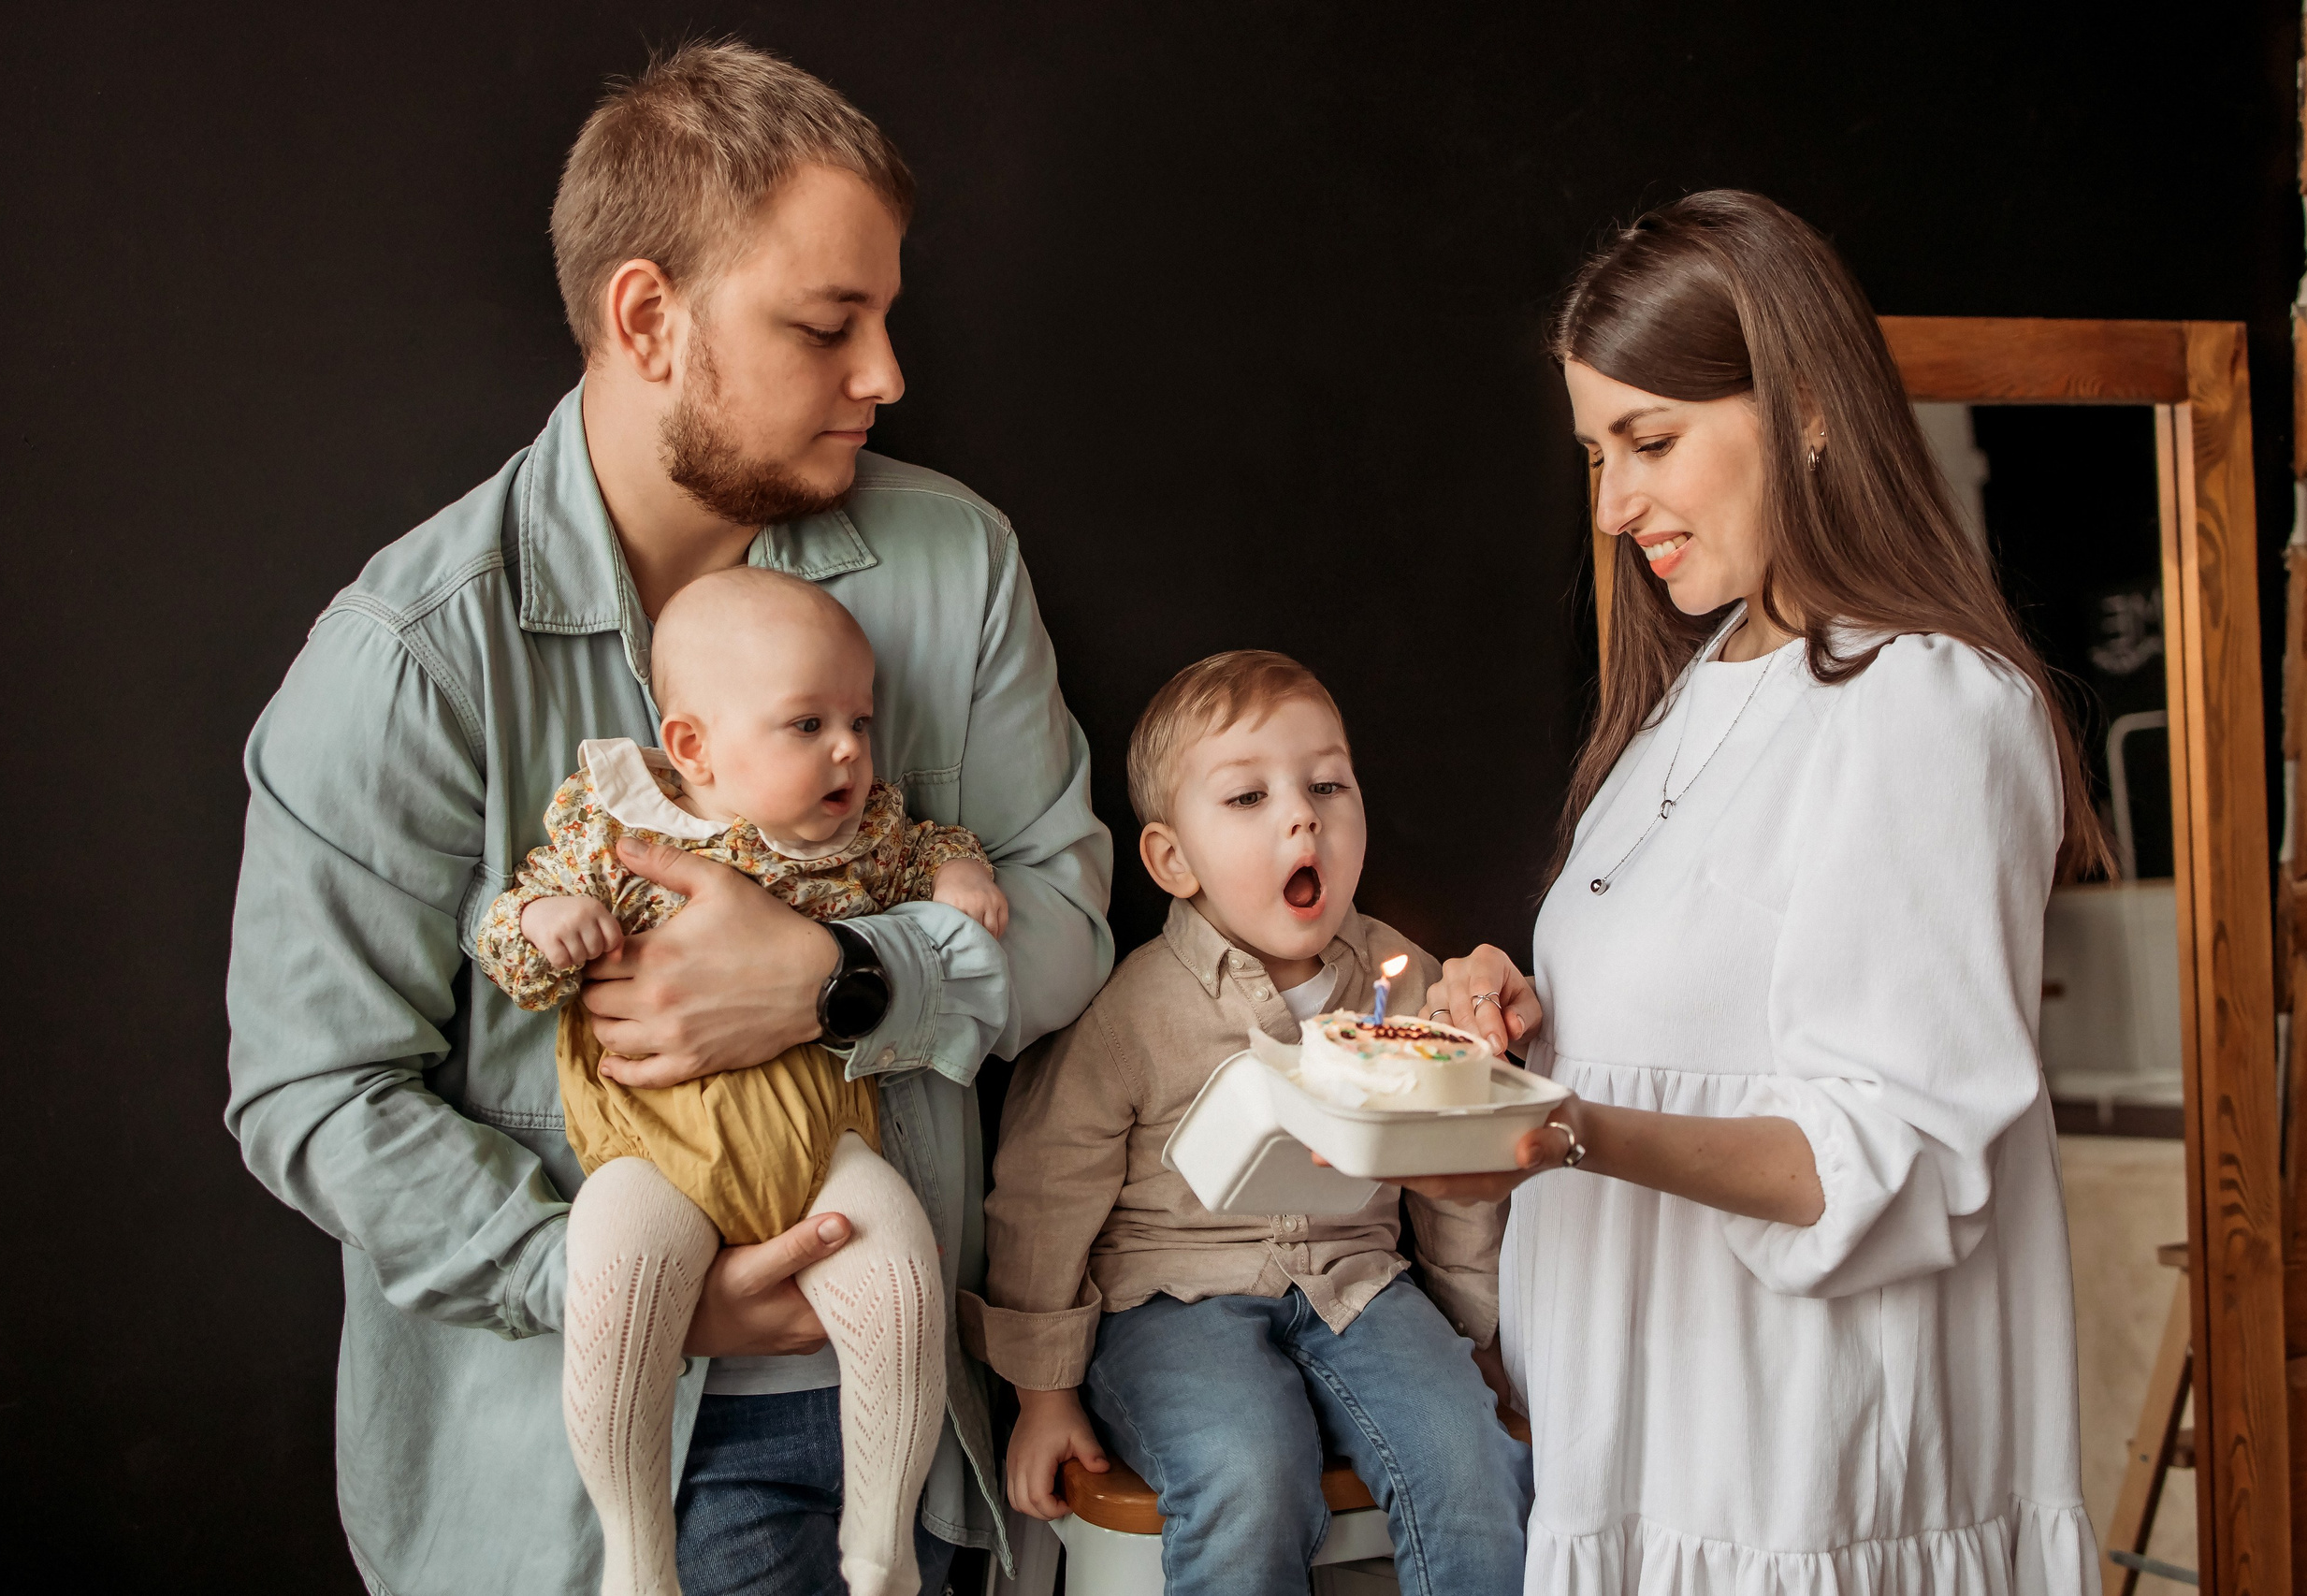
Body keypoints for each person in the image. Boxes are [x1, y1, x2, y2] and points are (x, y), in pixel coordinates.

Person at [224, 43, 1111, 1596]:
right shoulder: (410, 660)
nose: (888, 374)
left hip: (910, 1448)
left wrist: (850, 980)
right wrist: (637, 1289)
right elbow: (310, 1091)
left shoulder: (954, 564)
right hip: (559, 1485)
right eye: (830, 325)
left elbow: (1071, 921)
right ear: (649, 319)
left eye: (885, 319)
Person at [1400, 191, 2104, 1592]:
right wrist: (1513, 1028)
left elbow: (1889, 1153)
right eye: (1596, 455)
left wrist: (1562, 1127)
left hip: (1802, 1474)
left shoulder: (1928, 707)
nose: (1610, 505)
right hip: (1641, 1451)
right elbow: (1697, 1042)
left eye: (1650, 442)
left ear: (1809, 407)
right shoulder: (1684, 700)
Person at [479, 568, 1008, 1596]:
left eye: (859, 716)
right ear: (691, 746)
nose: (849, 747)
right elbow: (513, 923)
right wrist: (548, 926)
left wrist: (960, 876)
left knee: (904, 1288)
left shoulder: (866, 839)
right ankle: (637, 1558)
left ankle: (882, 1545)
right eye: (806, 723)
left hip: (820, 1151)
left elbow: (939, 843)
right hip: (656, 1154)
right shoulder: (616, 828)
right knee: (614, 1295)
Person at [966, 650, 1531, 1596]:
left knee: (1471, 1458)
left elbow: (1455, 1168)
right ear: (1171, 858)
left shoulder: (1408, 982)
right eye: (1247, 797)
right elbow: (1043, 1197)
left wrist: (1480, 1331)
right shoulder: (1130, 1011)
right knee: (1245, 1466)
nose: (1300, 814)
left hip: (1360, 1282)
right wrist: (1043, 1392)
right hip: (1170, 1301)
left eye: (1325, 784)